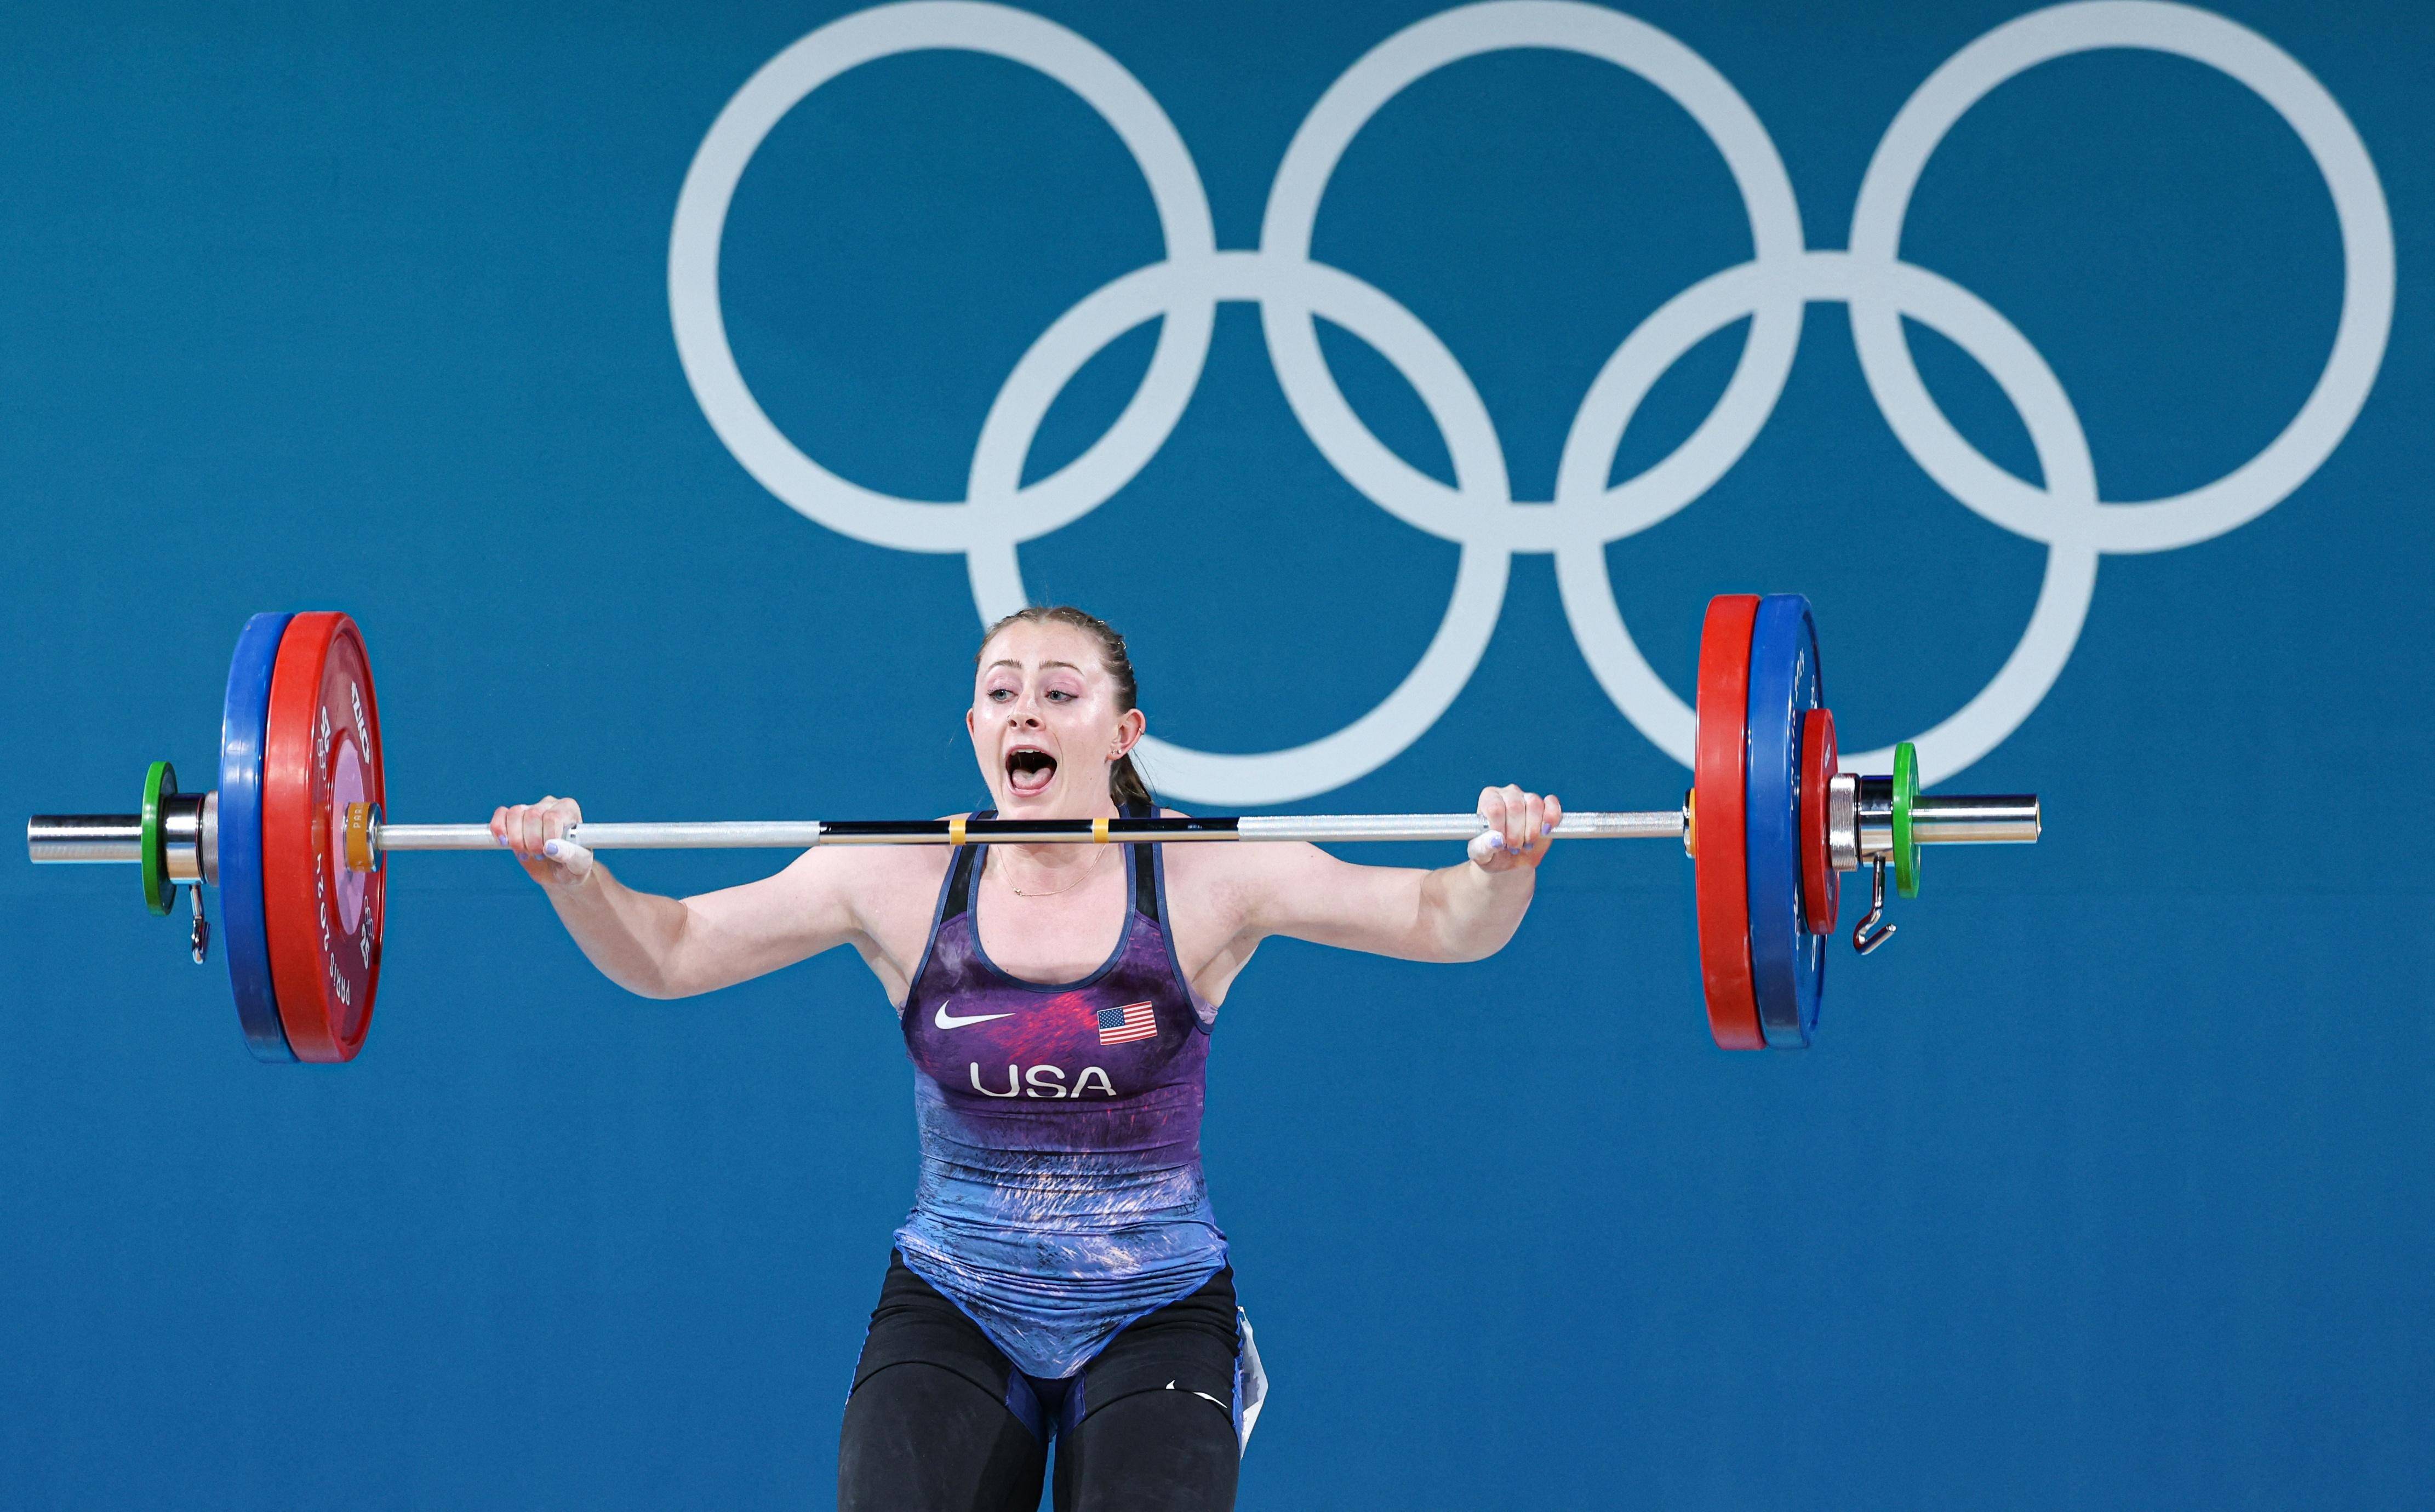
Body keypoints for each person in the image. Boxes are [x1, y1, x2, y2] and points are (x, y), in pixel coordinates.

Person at [489, 605, 1561, 1512]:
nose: (1025, 713)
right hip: (955, 1296)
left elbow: (1436, 915)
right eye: (1001, 694)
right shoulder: (892, 875)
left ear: (1120, 732)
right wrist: (574, 881)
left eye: (1058, 692)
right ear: (973, 727)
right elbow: (668, 952)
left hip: (1154, 1304)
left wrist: (1500, 865)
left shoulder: (1205, 874)